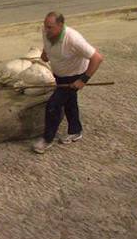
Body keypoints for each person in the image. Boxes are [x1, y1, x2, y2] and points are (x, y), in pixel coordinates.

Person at [33, 12, 104, 154]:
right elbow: (47, 44)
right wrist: (45, 53)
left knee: (53, 105)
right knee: (69, 102)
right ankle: (75, 131)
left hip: (74, 76)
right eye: (45, 26)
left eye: (50, 27)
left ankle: (47, 140)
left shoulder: (73, 38)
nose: (46, 30)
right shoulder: (46, 31)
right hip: (59, 73)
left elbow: (97, 58)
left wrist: (83, 80)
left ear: (60, 25)